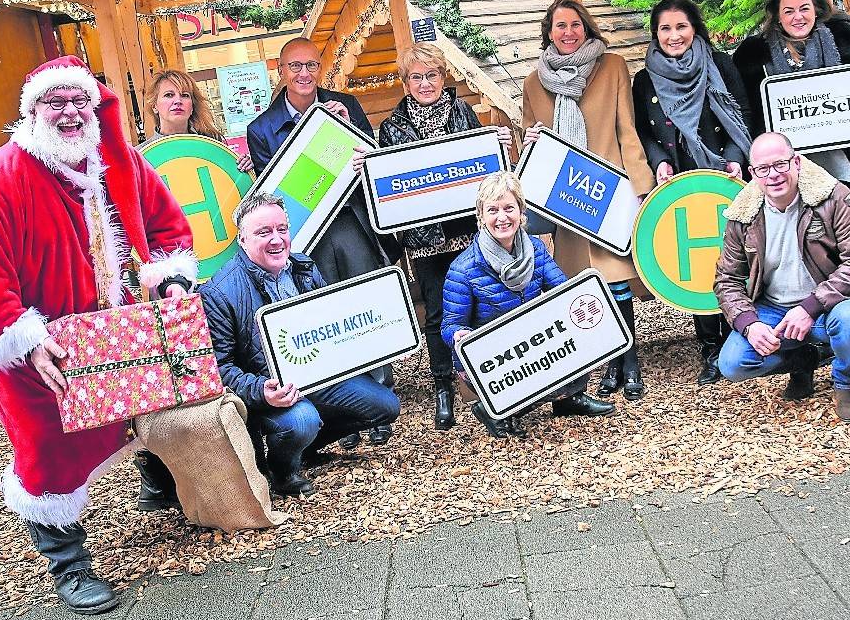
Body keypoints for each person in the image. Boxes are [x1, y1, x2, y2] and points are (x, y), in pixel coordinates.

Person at [0, 56, 197, 614]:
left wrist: (171, 275)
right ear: (31, 112)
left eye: (78, 101)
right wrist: (23, 338)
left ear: (93, 106)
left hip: (109, 321)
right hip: (33, 341)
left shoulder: (118, 161)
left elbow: (165, 222)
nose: (69, 113)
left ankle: (157, 484)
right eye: (54, 102)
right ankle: (68, 564)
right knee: (46, 444)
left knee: (142, 404)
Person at [352, 42, 512, 430]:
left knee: (479, 306)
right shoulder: (391, 128)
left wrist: (500, 145)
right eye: (417, 77)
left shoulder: (464, 113)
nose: (425, 83)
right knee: (439, 312)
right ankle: (444, 387)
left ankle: (489, 382)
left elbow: (486, 169)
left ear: (444, 77)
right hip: (424, 240)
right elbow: (388, 184)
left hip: (467, 232)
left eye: (432, 75)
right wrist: (365, 167)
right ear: (406, 83)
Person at [246, 37, 396, 447]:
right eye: (296, 66)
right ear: (282, 70)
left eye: (311, 65)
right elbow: (270, 189)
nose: (304, 74)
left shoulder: (347, 104)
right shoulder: (260, 128)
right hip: (306, 238)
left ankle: (381, 400)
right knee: (330, 318)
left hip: (351, 223)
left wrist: (348, 131)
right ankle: (350, 410)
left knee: (367, 306)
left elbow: (374, 158)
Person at [199, 192, 401, 492]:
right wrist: (262, 392)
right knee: (302, 421)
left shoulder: (304, 266)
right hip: (268, 391)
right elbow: (219, 368)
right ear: (242, 240)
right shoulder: (220, 292)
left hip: (315, 376)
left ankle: (304, 447)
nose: (277, 239)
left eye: (282, 229)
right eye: (263, 232)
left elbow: (330, 322)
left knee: (386, 405)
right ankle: (282, 471)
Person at [522, 0, 654, 403]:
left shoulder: (612, 66)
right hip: (565, 194)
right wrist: (527, 143)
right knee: (584, 284)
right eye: (560, 26)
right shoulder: (533, 82)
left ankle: (629, 359)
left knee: (616, 276)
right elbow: (531, 141)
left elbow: (626, 128)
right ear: (548, 32)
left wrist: (641, 183)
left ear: (587, 27)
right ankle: (609, 359)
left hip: (609, 187)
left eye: (575, 24)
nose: (568, 33)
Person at [713, 133, 850, 423]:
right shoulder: (742, 215)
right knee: (732, 364)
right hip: (774, 309)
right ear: (753, 173)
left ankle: (846, 382)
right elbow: (726, 279)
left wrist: (810, 307)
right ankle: (803, 361)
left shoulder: (833, 197)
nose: (773, 175)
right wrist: (749, 324)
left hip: (831, 305)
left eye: (781, 164)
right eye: (763, 169)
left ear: (797, 162)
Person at [633, 0, 754, 386]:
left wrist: (738, 156)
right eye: (665, 28)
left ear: (694, 28)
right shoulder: (645, 79)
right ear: (655, 33)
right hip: (682, 180)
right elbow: (645, 134)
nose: (673, 35)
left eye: (681, 26)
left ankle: (744, 333)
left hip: (725, 175)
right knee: (699, 264)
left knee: (734, 256)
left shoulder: (720, 65)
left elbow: (743, 114)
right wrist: (659, 163)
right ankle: (710, 349)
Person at [442, 172, 615, 437]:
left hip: (532, 343)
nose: (502, 217)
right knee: (526, 380)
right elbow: (450, 324)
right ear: (481, 216)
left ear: (521, 211)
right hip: (493, 358)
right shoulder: (463, 268)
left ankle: (569, 398)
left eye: (509, 208)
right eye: (493, 210)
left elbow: (562, 290)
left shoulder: (536, 249)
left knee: (574, 331)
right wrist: (458, 335)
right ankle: (494, 409)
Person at [733, 0, 850, 184]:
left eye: (804, 9)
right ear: (778, 16)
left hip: (846, 164)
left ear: (816, 11)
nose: (798, 17)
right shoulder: (755, 58)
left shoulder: (844, 45)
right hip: (785, 172)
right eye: (789, 11)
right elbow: (750, 117)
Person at [143, 68, 252, 171]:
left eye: (185, 95)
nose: (178, 101)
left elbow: (231, 184)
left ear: (192, 107)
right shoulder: (141, 155)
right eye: (169, 95)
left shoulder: (211, 145)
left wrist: (244, 166)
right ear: (154, 106)